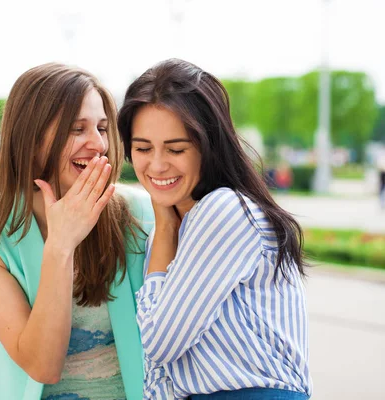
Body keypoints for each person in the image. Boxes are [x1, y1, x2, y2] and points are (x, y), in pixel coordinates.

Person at [0, 63, 153, 400]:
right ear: (30, 138)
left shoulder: (140, 214)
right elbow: (42, 365)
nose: (98, 144)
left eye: (102, 128)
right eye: (77, 129)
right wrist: (61, 245)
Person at [118, 59, 312, 400]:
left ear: (208, 145)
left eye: (176, 149)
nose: (158, 164)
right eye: (143, 148)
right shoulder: (175, 227)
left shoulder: (223, 212)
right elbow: (161, 374)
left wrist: (164, 230)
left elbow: (160, 343)